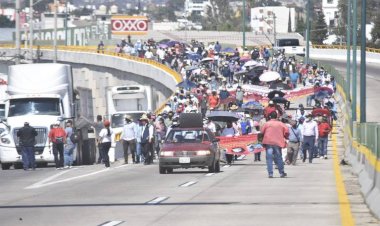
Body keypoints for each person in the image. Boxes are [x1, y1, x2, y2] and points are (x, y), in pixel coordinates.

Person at [260, 111, 289, 178]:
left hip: (268, 142)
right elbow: (287, 131)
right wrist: (285, 136)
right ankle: (281, 173)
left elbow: (261, 132)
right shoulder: (281, 124)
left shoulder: (267, 124)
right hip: (278, 143)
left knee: (269, 158)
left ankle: (270, 173)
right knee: (279, 158)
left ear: (270, 116)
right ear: (277, 117)